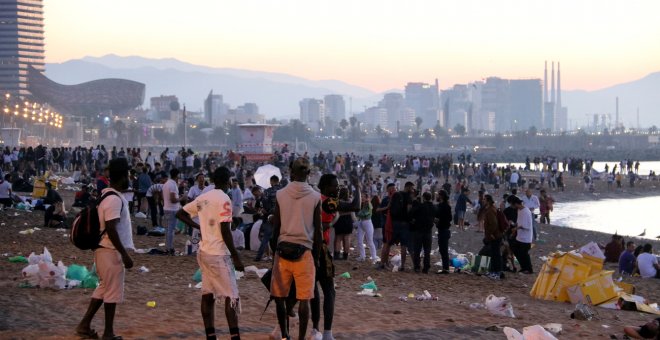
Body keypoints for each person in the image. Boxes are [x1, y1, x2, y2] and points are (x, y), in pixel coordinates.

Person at [176, 166, 244, 340]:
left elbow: (181, 213)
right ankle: (235, 337)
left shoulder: (204, 197)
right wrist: (236, 256)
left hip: (204, 251)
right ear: (227, 180)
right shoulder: (225, 199)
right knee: (232, 297)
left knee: (208, 294)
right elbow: (225, 230)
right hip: (219, 254)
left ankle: (211, 336)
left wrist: (199, 227)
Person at [76, 158, 134, 340]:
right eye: (128, 175)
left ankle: (84, 325)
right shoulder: (114, 199)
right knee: (112, 293)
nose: (130, 178)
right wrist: (124, 255)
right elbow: (111, 228)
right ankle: (108, 333)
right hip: (110, 252)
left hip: (104, 251)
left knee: (103, 289)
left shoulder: (108, 195)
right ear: (123, 176)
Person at [270, 158, 322, 340]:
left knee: (279, 296)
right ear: (308, 174)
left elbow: (276, 228)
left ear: (291, 173)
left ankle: (284, 336)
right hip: (305, 251)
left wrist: (273, 251)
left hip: (282, 250)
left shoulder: (280, 194)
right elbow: (318, 232)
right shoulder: (315, 197)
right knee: (304, 299)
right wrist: (316, 257)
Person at [312, 173, 359, 340]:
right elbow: (356, 206)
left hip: (307, 248)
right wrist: (357, 186)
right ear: (325, 186)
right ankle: (327, 333)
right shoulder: (328, 201)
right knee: (329, 291)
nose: (337, 188)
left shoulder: (314, 197)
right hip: (321, 249)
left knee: (314, 291)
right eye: (334, 185)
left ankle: (314, 330)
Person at [255, 175, 281, 262]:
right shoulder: (284, 190)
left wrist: (266, 211)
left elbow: (264, 204)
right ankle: (277, 257)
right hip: (281, 217)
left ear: (271, 181)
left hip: (270, 217)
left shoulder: (268, 191)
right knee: (279, 238)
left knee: (265, 237)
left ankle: (259, 256)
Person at [410, 191, 436, 273]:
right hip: (428, 231)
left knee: (417, 249)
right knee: (427, 251)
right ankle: (426, 268)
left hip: (418, 230)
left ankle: (417, 266)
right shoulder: (433, 207)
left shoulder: (420, 206)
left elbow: (411, 213)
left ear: (423, 198)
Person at [162, 168, 185, 255]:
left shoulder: (166, 183)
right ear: (177, 175)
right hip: (172, 209)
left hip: (166, 208)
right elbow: (173, 199)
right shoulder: (173, 185)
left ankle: (168, 247)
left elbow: (164, 196)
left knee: (168, 229)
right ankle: (170, 248)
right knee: (171, 230)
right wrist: (182, 198)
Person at [509, 196, 534, 274]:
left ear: (516, 203)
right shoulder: (519, 210)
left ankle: (529, 269)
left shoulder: (526, 211)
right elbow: (519, 222)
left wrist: (516, 228)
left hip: (526, 237)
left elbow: (527, 226)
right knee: (516, 250)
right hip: (519, 236)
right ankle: (523, 267)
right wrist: (514, 226)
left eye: (512, 204)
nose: (511, 206)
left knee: (524, 253)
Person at [482, 194, 503, 280]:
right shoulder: (491, 209)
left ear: (488, 201)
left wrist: (490, 233)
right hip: (496, 235)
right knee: (494, 254)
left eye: (484, 199)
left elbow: (494, 223)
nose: (483, 201)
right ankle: (493, 271)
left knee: (496, 254)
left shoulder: (490, 210)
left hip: (495, 236)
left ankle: (496, 273)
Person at [356, 192, 378, 263]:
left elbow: (365, 213)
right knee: (359, 241)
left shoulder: (368, 204)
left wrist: (359, 214)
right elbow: (360, 214)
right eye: (361, 196)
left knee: (370, 241)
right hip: (362, 222)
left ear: (366, 197)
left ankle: (374, 257)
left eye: (363, 196)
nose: (362, 198)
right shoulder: (363, 203)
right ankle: (362, 256)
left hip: (367, 222)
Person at [435, 190, 453, 274]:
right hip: (444, 230)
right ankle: (445, 267)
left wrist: (438, 220)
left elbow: (447, 218)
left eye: (438, 195)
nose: (437, 196)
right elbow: (450, 218)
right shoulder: (446, 206)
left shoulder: (442, 206)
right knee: (443, 249)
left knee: (443, 249)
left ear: (441, 196)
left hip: (443, 230)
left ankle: (445, 268)